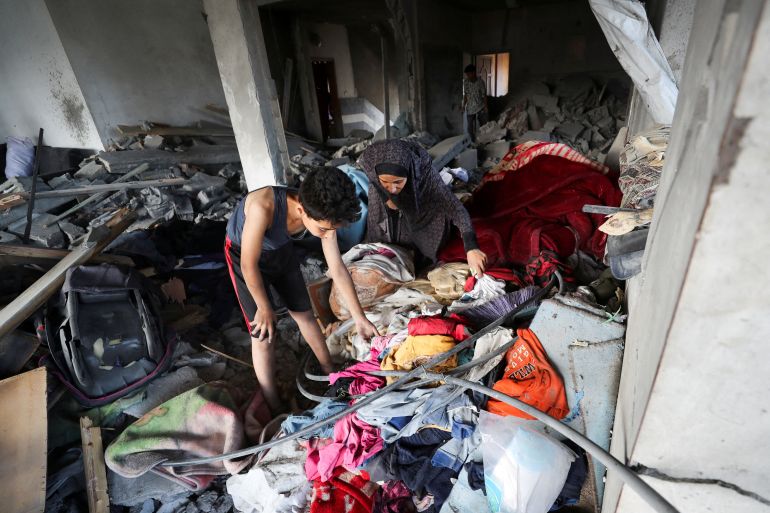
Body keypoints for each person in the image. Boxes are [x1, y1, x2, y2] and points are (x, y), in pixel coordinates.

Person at [224, 167, 379, 413]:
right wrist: (264, 308)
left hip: (281, 252)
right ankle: (273, 402)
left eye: (332, 230)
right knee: (263, 335)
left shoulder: (323, 214)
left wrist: (360, 318)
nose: (328, 235)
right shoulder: (262, 207)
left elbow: (337, 268)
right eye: (324, 230)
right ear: (300, 210)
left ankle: (330, 373)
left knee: (305, 315)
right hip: (245, 258)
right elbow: (248, 264)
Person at [359, 139, 488, 275]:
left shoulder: (425, 177)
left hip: (423, 220)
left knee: (420, 260)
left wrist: (471, 247)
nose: (392, 189)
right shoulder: (373, 171)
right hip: (387, 220)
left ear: (410, 174)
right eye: (385, 182)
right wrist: (385, 196)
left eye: (398, 182)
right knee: (380, 252)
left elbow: (455, 208)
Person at [462, 64, 488, 141]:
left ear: (473, 73)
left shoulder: (480, 82)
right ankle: (472, 142)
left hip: (480, 107)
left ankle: (484, 141)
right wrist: (463, 106)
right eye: (467, 74)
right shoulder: (466, 82)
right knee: (470, 128)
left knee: (483, 126)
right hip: (470, 108)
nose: (468, 76)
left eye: (469, 74)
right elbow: (466, 94)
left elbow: (484, 95)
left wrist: (486, 107)